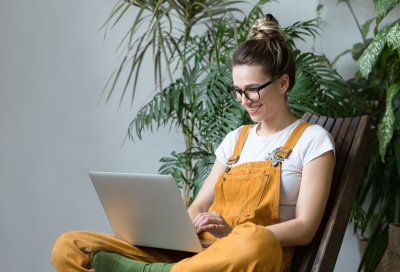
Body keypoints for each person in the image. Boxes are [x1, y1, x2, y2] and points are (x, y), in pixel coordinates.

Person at [51, 14, 335, 272]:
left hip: (246, 256)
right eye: (237, 90)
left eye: (252, 89)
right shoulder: (235, 140)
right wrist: (168, 234)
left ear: (283, 83)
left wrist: (234, 233)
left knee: (255, 240)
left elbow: (304, 228)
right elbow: (198, 206)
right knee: (71, 246)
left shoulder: (312, 141)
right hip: (201, 254)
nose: (243, 100)